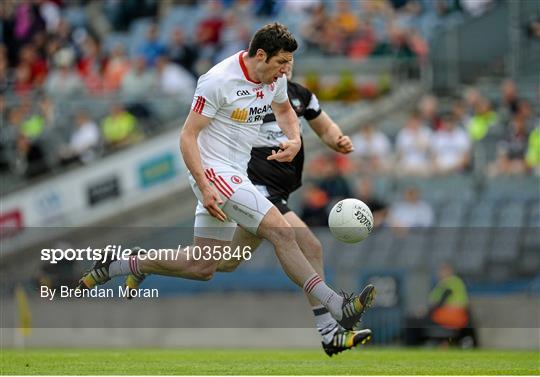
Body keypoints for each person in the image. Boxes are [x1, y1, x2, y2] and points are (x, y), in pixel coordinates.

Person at [77, 23, 374, 350]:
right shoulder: (218, 81)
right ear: (261, 55)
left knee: (204, 265)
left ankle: (120, 263)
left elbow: (285, 109)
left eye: (288, 63)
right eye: (281, 62)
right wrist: (205, 186)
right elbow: (187, 136)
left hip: (237, 173)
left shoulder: (274, 80)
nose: (285, 70)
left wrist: (293, 139)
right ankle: (335, 304)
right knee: (283, 232)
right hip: (214, 172)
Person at [405, 263, 477, 348]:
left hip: (448, 317)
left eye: (442, 271)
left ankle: (412, 347)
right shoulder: (451, 283)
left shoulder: (450, 283)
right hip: (452, 317)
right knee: (416, 320)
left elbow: (439, 302)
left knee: (412, 321)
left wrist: (424, 312)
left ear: (449, 271)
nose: (440, 273)